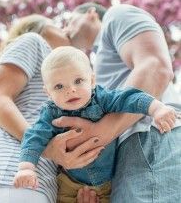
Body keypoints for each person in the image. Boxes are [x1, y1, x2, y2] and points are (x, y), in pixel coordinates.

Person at [0, 14, 105, 203]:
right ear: (40, 30)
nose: (65, 30)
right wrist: (46, 149)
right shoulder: (34, 42)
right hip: (9, 174)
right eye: (57, 26)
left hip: (38, 186)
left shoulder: (64, 87)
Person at [53, 3, 181, 202]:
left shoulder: (116, 15)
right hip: (128, 153)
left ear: (91, 13)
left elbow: (156, 68)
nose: (65, 30)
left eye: (70, 21)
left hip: (150, 135)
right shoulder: (95, 67)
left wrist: (99, 134)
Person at [13, 46, 176, 203]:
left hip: (109, 184)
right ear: (48, 93)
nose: (70, 90)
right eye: (59, 86)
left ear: (91, 80)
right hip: (70, 185)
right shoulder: (51, 113)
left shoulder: (101, 98)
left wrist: (156, 108)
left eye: (78, 81)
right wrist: (26, 167)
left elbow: (128, 98)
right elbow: (34, 136)